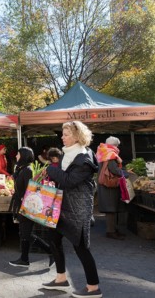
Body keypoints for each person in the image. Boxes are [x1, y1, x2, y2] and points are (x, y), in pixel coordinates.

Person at [42, 121, 102, 298]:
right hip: (62, 207)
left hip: (77, 209)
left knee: (81, 248)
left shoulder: (85, 158)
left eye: (66, 134)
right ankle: (61, 278)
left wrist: (51, 171)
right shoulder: (67, 154)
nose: (62, 137)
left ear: (77, 136)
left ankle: (94, 288)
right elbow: (63, 180)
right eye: (63, 133)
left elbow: (69, 180)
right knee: (53, 240)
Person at [9, 147, 54, 268]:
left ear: (23, 155)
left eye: (18, 154)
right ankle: (25, 259)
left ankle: (48, 250)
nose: (16, 156)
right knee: (24, 233)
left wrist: (23, 199)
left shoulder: (27, 170)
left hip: (27, 205)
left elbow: (30, 189)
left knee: (25, 233)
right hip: (21, 204)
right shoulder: (21, 169)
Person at [95, 136, 125, 240]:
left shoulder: (102, 151)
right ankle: (110, 231)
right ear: (115, 145)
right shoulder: (111, 154)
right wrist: (125, 174)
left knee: (110, 208)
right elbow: (113, 169)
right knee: (111, 208)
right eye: (117, 145)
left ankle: (112, 229)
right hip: (109, 185)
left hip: (104, 184)